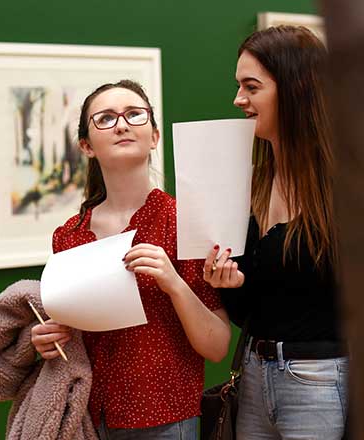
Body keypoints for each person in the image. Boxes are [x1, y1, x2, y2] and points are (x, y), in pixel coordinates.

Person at [31, 80, 231, 440]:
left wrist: (173, 283)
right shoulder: (69, 235)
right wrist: (49, 339)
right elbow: (69, 337)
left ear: (154, 136)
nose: (122, 124)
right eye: (105, 118)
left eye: (135, 115)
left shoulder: (185, 221)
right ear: (86, 146)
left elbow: (217, 345)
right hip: (89, 416)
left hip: (166, 418)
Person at [204, 26, 349, 439]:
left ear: (297, 88)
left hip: (318, 379)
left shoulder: (345, 184)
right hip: (252, 372)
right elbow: (250, 309)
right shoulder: (254, 181)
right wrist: (227, 283)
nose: (238, 100)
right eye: (239, 86)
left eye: (252, 87)